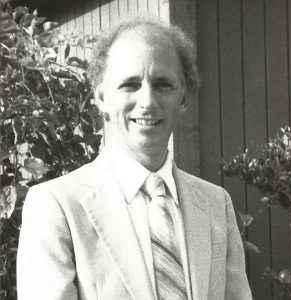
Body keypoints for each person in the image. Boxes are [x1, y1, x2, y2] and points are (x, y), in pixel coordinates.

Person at [17, 18, 252, 300]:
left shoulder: (216, 204)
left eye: (163, 84)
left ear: (185, 99)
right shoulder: (57, 206)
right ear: (101, 97)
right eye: (130, 84)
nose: (148, 101)